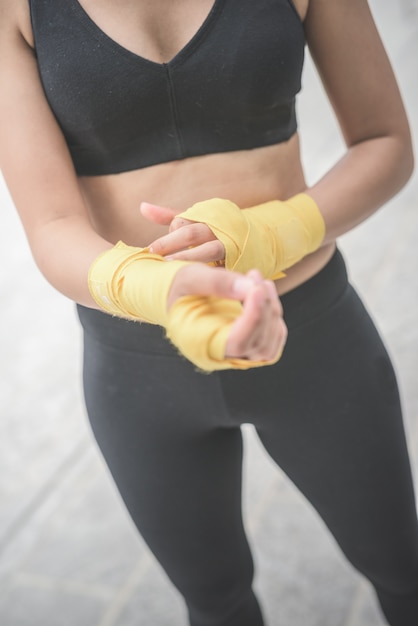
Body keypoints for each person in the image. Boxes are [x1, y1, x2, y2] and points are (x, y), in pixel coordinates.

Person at [0, 0, 417, 624]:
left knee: (404, 571)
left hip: (314, 338)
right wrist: (165, 291)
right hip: (140, 368)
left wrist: (263, 235)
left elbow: (385, 143)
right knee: (215, 603)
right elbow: (52, 224)